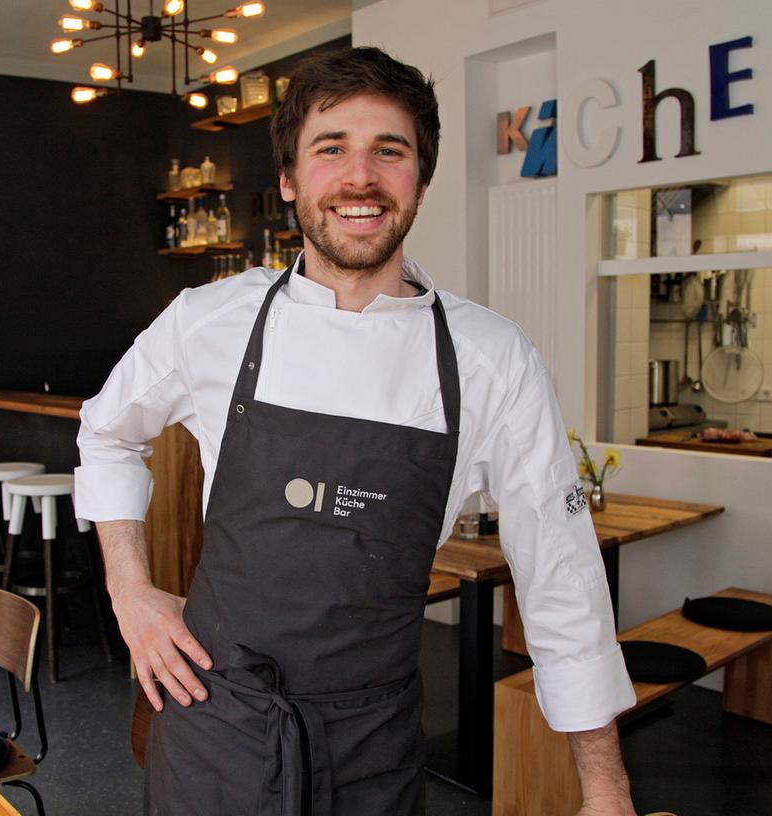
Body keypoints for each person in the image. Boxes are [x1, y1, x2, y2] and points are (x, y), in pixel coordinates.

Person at [75, 46, 637, 816]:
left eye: (389, 151)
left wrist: (603, 789)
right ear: (289, 180)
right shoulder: (209, 321)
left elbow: (560, 575)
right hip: (215, 725)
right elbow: (106, 433)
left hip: (372, 738)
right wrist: (130, 589)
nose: (359, 177)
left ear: (420, 181)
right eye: (330, 149)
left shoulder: (490, 358)